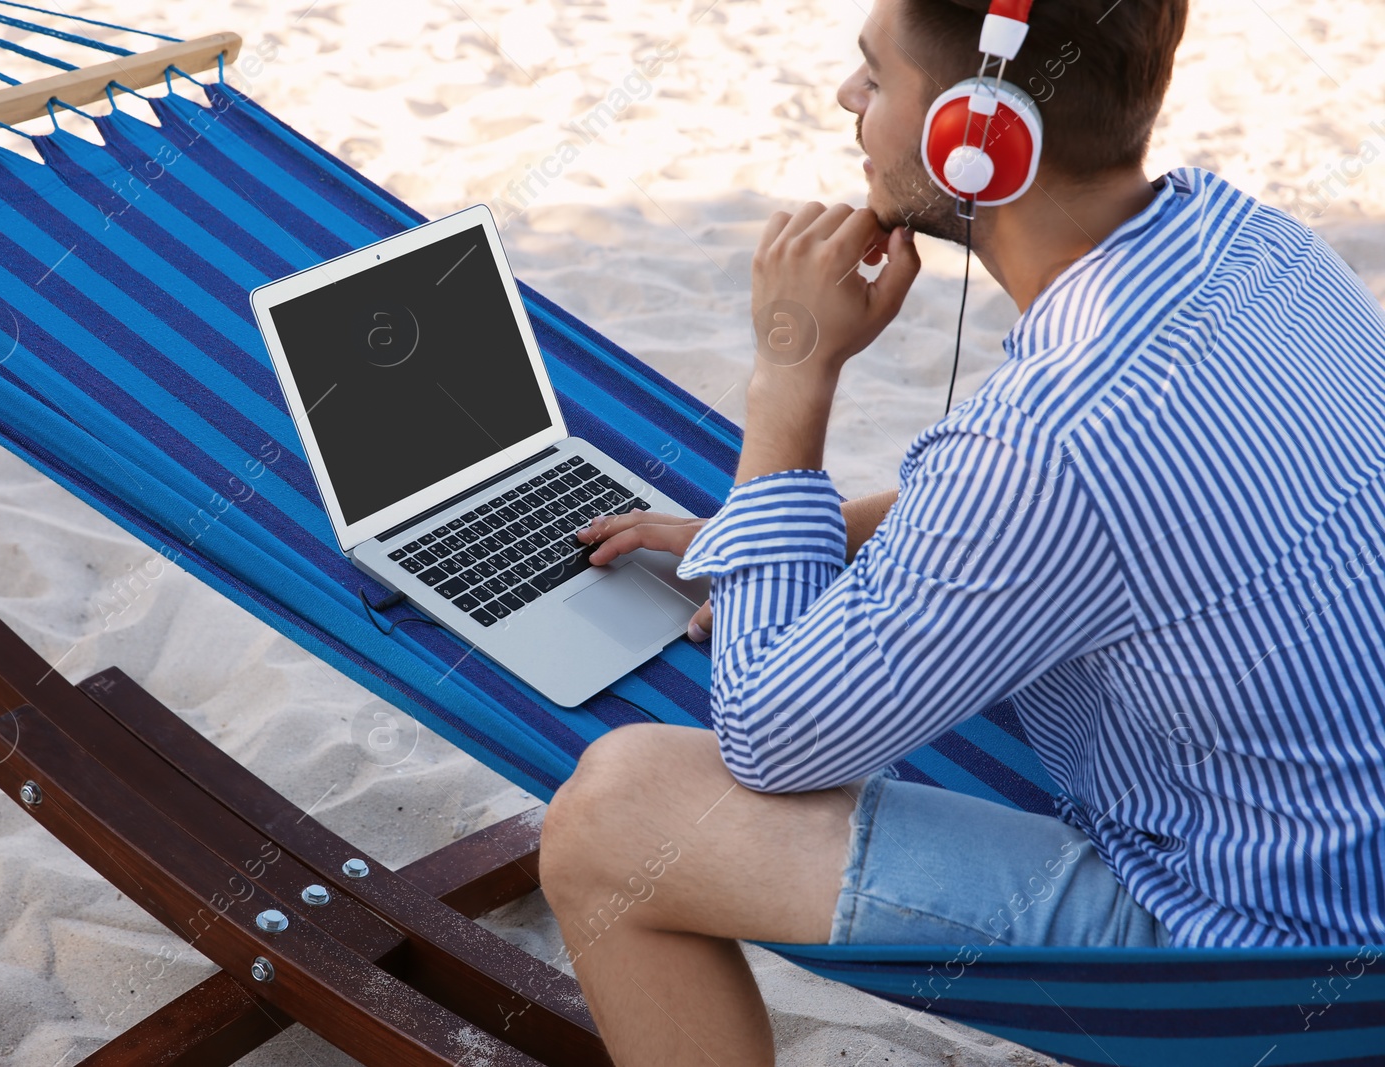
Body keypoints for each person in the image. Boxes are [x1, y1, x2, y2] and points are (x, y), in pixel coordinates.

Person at [537, 0, 1385, 1063]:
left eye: (874, 78)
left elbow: (764, 738)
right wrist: (802, 531)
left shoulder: (1049, 440)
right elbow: (1115, 508)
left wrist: (791, 374)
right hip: (1353, 866)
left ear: (974, 136)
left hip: (1268, 969)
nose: (849, 100)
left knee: (617, 817)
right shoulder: (1258, 247)